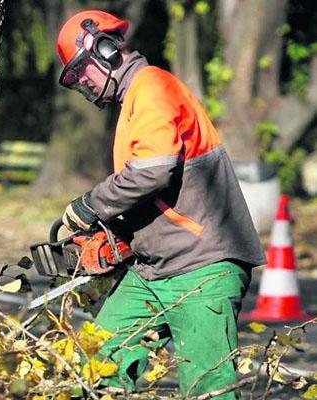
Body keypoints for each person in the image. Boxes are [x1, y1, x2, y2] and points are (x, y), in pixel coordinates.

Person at [55, 9, 266, 399]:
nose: (81, 81)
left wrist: (88, 207)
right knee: (99, 363)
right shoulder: (134, 101)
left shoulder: (153, 87)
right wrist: (117, 233)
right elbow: (154, 191)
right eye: (74, 78)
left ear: (104, 49)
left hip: (202, 267)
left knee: (209, 390)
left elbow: (153, 172)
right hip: (154, 271)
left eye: (82, 70)